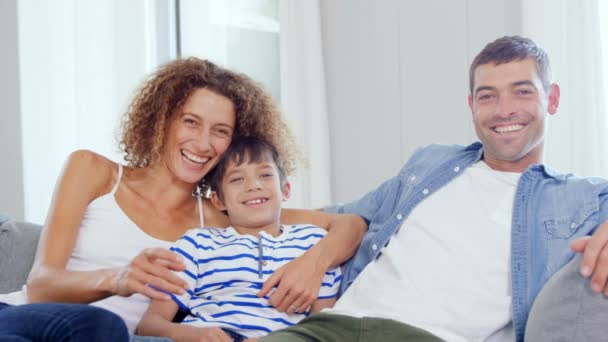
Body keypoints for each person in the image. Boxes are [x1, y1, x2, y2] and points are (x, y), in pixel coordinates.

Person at [259, 36, 608, 342]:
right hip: (333, 325)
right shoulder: (431, 163)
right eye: (488, 96)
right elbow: (343, 214)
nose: (504, 111)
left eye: (522, 92)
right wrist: (225, 215)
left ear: (552, 99)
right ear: (472, 106)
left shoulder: (581, 198)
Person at [0, 58, 365, 341]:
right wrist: (119, 278)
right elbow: (41, 285)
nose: (203, 143)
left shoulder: (220, 217)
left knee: (107, 330)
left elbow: (349, 223)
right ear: (162, 120)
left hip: (103, 337)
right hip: (22, 318)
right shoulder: (93, 171)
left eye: (220, 132)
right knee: (102, 325)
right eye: (190, 122)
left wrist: (313, 265)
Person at [138, 137, 341, 341]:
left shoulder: (315, 243)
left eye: (265, 174)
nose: (253, 186)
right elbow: (149, 325)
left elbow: (323, 330)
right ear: (218, 200)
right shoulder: (197, 244)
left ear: (285, 190)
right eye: (237, 179)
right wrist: (191, 334)